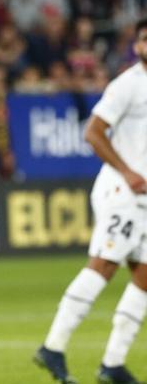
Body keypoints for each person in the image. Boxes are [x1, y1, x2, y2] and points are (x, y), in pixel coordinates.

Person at [35, 19, 147, 384]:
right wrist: (127, 172)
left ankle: (113, 363)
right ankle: (53, 347)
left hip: (144, 198)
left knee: (145, 276)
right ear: (137, 46)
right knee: (104, 265)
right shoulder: (128, 84)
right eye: (143, 39)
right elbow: (93, 132)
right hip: (122, 192)